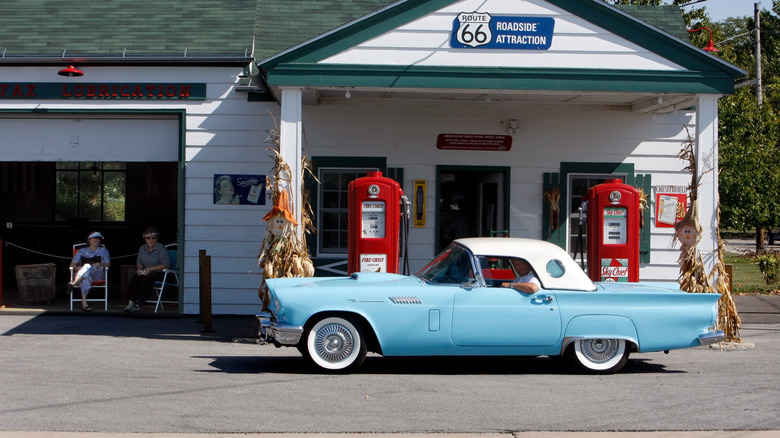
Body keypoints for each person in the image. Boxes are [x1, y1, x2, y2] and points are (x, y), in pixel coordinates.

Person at [124, 227, 171, 312]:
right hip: (147, 272)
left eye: (153, 238)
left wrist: (151, 269)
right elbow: (140, 263)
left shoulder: (161, 248)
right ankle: (131, 302)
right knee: (135, 277)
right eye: (148, 238)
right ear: (145, 239)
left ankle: (140, 303)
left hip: (160, 273)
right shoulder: (142, 248)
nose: (151, 240)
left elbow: (166, 265)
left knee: (148, 279)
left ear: (157, 238)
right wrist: (139, 269)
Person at [67, 231, 110, 312]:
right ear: (89, 240)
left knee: (87, 268)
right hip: (83, 275)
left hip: (97, 275)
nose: (97, 240)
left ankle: (73, 284)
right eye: (95, 238)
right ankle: (84, 304)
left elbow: (108, 264)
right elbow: (72, 265)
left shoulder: (104, 251)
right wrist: (81, 269)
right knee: (86, 272)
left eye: (99, 238)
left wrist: (100, 263)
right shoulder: (82, 251)